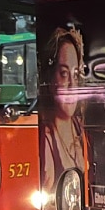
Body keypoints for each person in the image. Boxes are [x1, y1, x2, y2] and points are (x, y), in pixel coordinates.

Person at [39, 26, 88, 191]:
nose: (72, 85)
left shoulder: (80, 127)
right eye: (64, 74)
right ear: (50, 79)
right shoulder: (47, 140)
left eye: (75, 74)